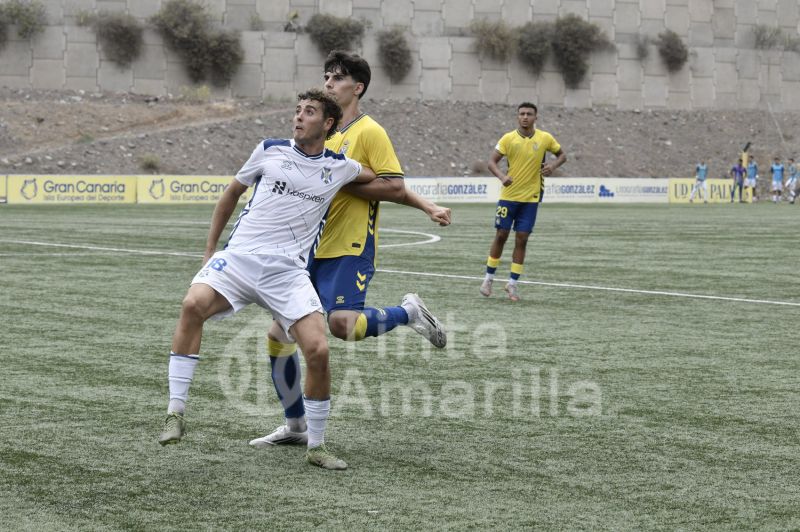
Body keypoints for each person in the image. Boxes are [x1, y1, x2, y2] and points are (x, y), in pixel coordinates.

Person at [158, 89, 376, 470]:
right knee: (192, 304)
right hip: (239, 259)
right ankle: (175, 413)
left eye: (309, 112)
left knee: (319, 350)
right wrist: (210, 249)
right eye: (297, 110)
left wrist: (422, 204)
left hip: (288, 273)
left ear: (328, 123)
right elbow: (231, 193)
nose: (298, 117)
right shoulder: (269, 149)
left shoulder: (340, 167)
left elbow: (376, 177)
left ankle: (316, 446)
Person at [249, 51, 451, 449]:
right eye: (326, 76)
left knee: (342, 325)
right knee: (279, 336)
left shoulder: (369, 131)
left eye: (337, 78)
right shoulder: (322, 131)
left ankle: (407, 313)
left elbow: (393, 185)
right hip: (306, 249)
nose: (328, 83)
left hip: (350, 245)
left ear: (357, 87)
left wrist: (337, 181)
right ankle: (295, 425)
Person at [480, 102, 566, 302]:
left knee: (522, 238)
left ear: (536, 117)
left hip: (531, 198)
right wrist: (502, 177)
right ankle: (488, 279)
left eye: (529, 114)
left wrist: (553, 166)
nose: (525, 117)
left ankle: (512, 283)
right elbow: (491, 162)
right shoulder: (508, 138)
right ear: (517, 117)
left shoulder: (545, 138)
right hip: (508, 197)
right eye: (522, 114)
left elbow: (562, 155)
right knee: (501, 235)